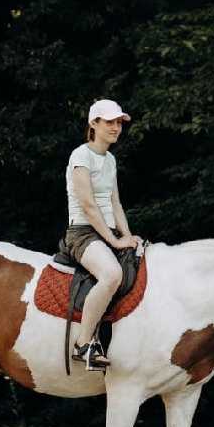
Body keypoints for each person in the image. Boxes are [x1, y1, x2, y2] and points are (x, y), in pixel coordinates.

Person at [64, 98, 141, 371]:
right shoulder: (80, 156)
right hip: (82, 233)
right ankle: (83, 344)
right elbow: (88, 205)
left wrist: (129, 237)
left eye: (119, 122)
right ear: (93, 124)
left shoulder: (109, 159)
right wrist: (115, 241)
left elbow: (115, 203)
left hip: (106, 231)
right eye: (109, 121)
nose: (116, 127)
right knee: (111, 275)